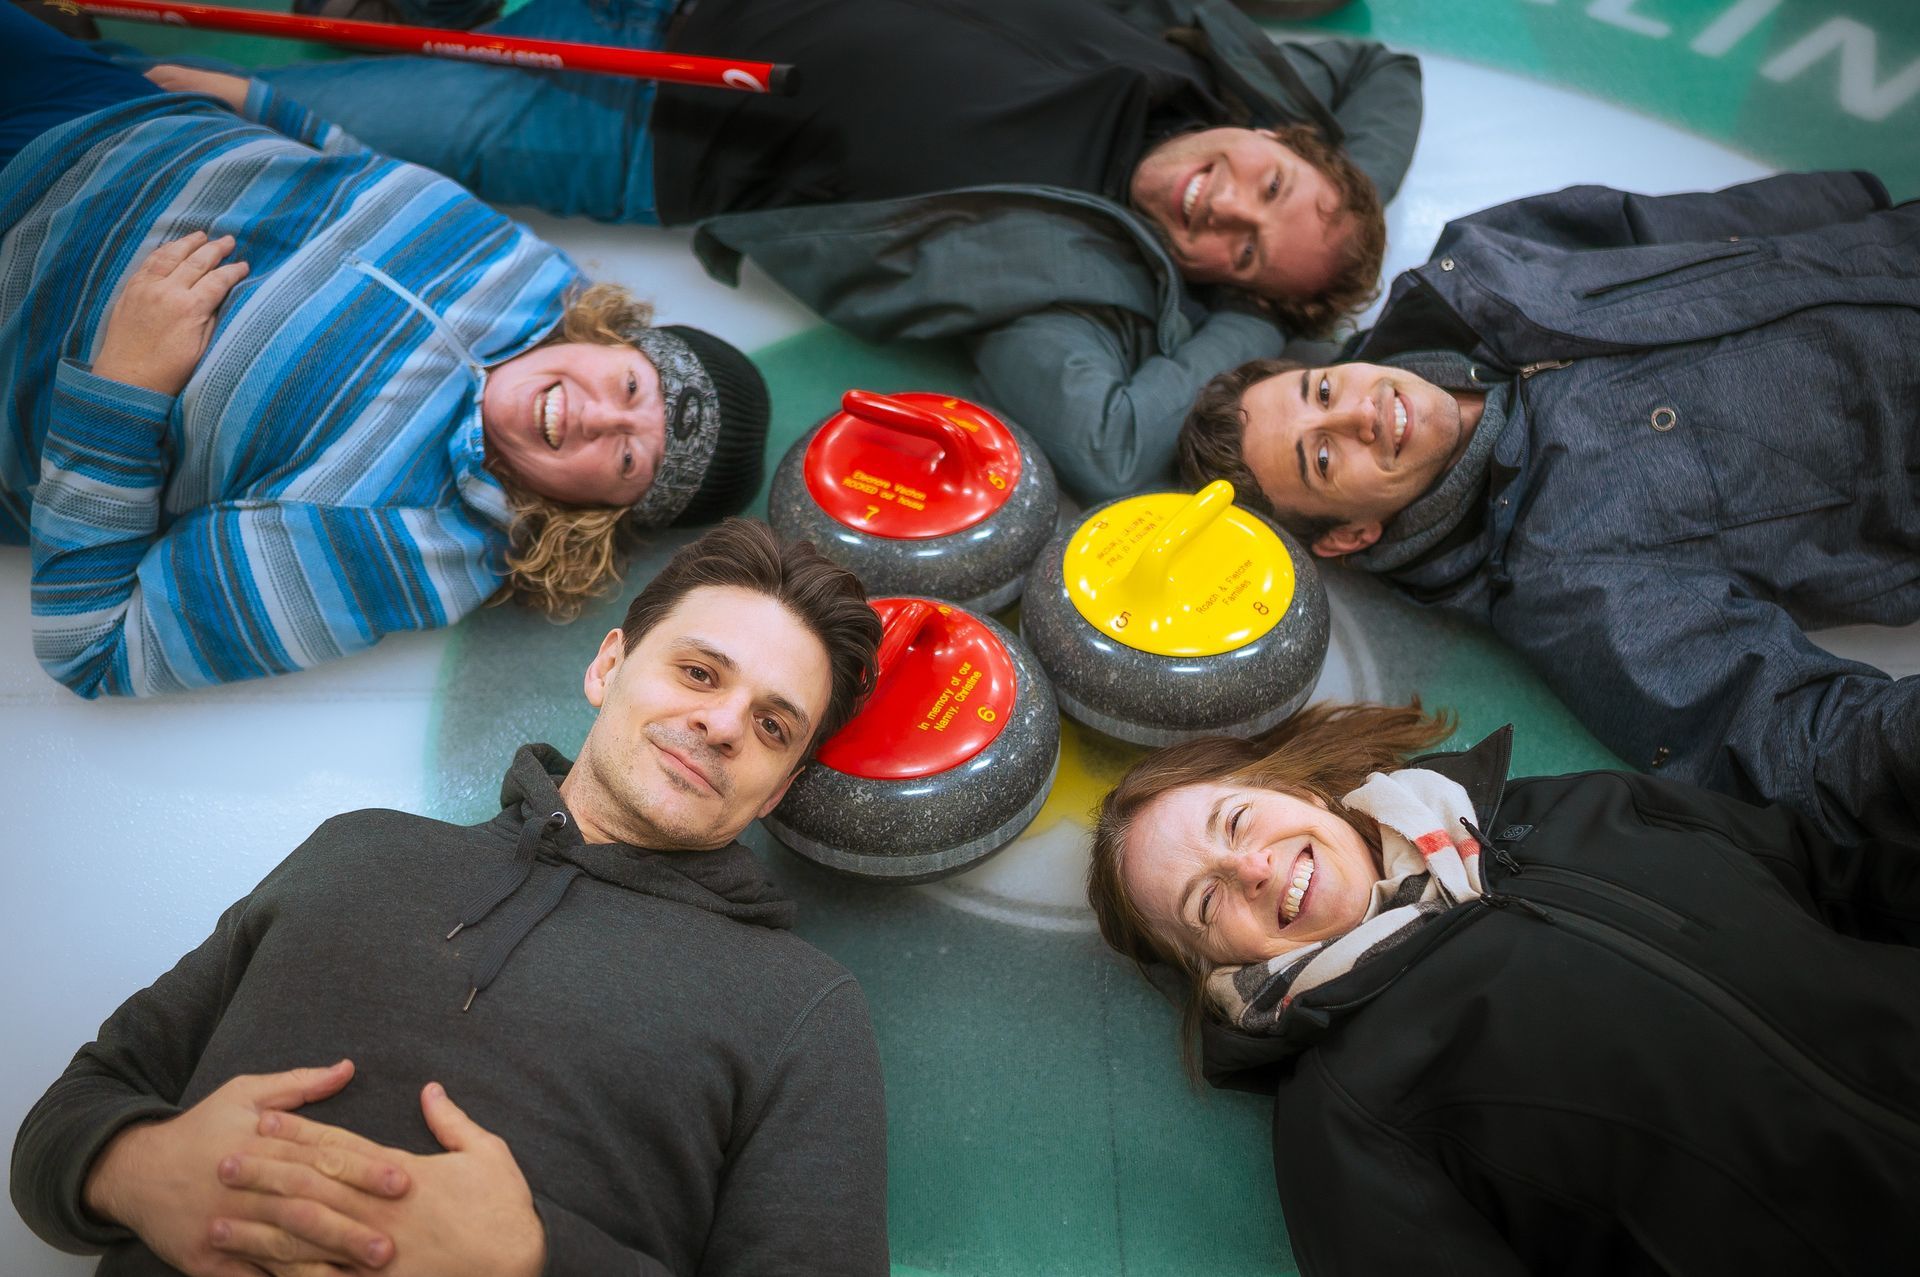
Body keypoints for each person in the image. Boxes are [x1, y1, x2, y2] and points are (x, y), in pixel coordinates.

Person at [11, 518, 889, 1277]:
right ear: (608, 665)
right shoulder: (358, 848)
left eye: (773, 725)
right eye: (700, 673)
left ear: (777, 790)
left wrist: (536, 1259)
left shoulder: (800, 1008)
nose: (725, 724)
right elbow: (78, 1107)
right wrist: (141, 1166)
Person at [238, 0, 1422, 499]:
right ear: (1277, 131)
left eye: (1247, 253)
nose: (1229, 212)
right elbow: (1384, 75)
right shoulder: (1190, 54)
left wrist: (1280, 320)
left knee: (284, 107)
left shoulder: (1081, 283)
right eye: (1270, 183)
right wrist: (1333, 220)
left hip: (645, 126)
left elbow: (1111, 450)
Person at [0, 10, 770, 698]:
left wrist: (122, 389)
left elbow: (90, 646)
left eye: (630, 461)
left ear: (594, 515)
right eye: (633, 386)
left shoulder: (410, 546)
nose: (599, 416)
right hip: (110, 115)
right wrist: (271, 111)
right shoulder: (543, 284)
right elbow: (371, 183)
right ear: (615, 341)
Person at [1175, 172, 1919, 853]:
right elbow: (1784, 740)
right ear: (1349, 535)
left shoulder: (1469, 267)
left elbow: (1658, 217)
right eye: (1324, 459)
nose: (1360, 415)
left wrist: (1863, 203)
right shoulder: (1565, 582)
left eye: (1325, 392)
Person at [1086, 699, 1920, 1276]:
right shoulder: (1346, 1120)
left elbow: (1835, 874)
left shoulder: (1560, 809)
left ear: (1297, 791)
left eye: (1235, 822)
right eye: (1207, 902)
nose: (1252, 866)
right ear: (1216, 972)